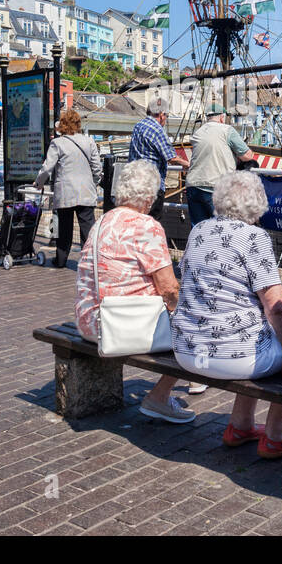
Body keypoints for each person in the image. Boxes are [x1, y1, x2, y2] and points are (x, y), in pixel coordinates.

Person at [173, 172, 282, 457]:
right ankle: (276, 436)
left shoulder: (199, 230)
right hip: (231, 359)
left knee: (252, 327)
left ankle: (242, 424)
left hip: (187, 351)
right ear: (257, 203)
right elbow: (276, 306)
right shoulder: (254, 237)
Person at [75, 159, 193, 423]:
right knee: (195, 329)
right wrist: (184, 314)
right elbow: (169, 288)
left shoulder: (102, 221)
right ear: (150, 197)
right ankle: (160, 397)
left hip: (88, 321)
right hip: (116, 327)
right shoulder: (146, 226)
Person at [35, 109, 101, 268]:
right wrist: (94, 183)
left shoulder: (57, 143)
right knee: (87, 228)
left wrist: (39, 182)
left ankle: (61, 259)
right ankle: (90, 261)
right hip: (86, 191)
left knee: (64, 229)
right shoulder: (89, 141)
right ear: (78, 124)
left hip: (65, 192)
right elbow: (97, 168)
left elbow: (47, 167)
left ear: (62, 126)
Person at [185, 104, 256, 225]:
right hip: (216, 186)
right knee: (221, 228)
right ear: (222, 117)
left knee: (199, 230)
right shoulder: (227, 130)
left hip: (193, 185)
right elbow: (248, 156)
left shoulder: (198, 132)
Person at [127, 98, 188, 219]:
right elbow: (171, 157)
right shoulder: (157, 130)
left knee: (137, 219)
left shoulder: (138, 126)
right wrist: (188, 163)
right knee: (152, 221)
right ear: (161, 115)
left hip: (136, 181)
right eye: (167, 115)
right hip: (152, 184)